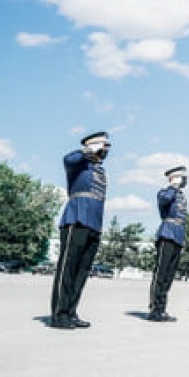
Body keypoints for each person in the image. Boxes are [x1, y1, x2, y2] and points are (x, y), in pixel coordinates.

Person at [50, 131, 111, 330]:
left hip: (94, 223)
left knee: (82, 271)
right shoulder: (78, 163)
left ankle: (71, 311)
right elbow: (67, 159)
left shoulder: (99, 170)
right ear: (92, 145)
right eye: (102, 145)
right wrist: (87, 150)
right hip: (76, 219)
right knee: (68, 268)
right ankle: (59, 314)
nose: (105, 149)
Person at [148, 166, 188, 322]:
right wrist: (173, 185)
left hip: (178, 235)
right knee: (161, 273)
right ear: (174, 177)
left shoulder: (181, 196)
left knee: (169, 276)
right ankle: (154, 309)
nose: (184, 180)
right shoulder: (165, 192)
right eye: (181, 177)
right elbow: (164, 200)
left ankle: (162, 308)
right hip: (167, 233)